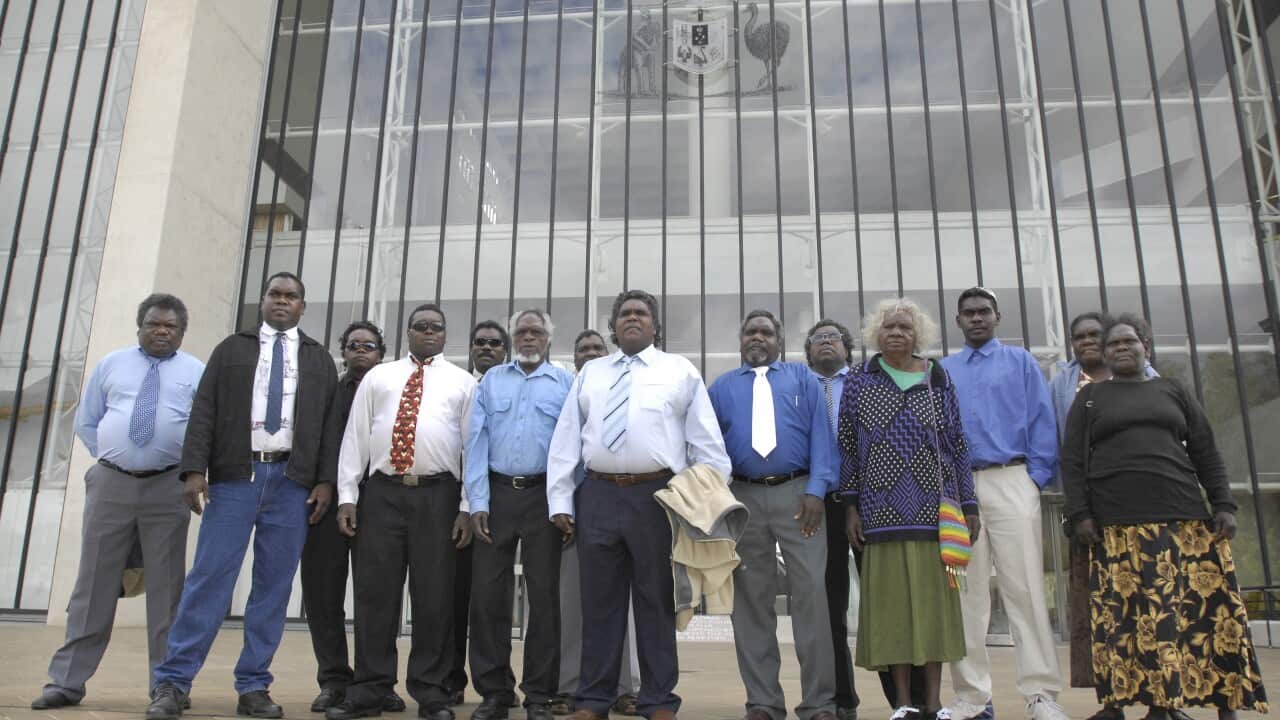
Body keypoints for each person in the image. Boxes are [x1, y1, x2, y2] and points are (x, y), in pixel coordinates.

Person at [147, 272, 339, 720]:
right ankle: (173, 682)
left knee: (273, 587)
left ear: (303, 306)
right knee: (209, 579)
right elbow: (204, 410)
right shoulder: (231, 349)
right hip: (236, 478)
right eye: (274, 294)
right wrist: (194, 470)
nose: (282, 301)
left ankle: (254, 685)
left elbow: (331, 426)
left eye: (291, 296)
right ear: (263, 300)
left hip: (292, 484)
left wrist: (325, 480)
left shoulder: (319, 359)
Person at [1061, 314, 1269, 720]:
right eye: (1113, 344)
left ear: (1146, 347)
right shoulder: (1089, 399)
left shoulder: (1173, 390)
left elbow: (1205, 450)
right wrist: (1081, 514)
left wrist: (1224, 504)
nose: (1121, 348)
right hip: (1117, 527)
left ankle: (1221, 703)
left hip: (1184, 520)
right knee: (1130, 620)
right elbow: (1072, 462)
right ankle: (1141, 704)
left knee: (1203, 616)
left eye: (1128, 341)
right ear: (1104, 354)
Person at [547, 289, 730, 720]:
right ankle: (593, 700)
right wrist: (560, 501)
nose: (632, 318)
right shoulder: (591, 373)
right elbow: (566, 439)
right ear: (614, 327)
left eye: (641, 313)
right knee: (599, 605)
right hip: (597, 495)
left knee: (655, 602)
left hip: (657, 498)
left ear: (654, 325)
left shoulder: (679, 371)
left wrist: (707, 503)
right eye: (624, 313)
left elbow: (706, 443)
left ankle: (658, 700)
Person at [31, 294, 205, 711]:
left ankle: (166, 686)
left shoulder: (196, 371)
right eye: (153, 324)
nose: (161, 331)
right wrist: (116, 458)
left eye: (170, 326)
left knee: (166, 590)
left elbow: (204, 430)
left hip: (168, 486)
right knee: (93, 584)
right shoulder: (111, 364)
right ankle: (67, 682)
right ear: (139, 326)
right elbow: (87, 421)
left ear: (182, 332)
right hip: (111, 485)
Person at [326, 304, 475, 720]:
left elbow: (473, 450)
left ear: (445, 335)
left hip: (439, 497)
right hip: (382, 495)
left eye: (436, 327)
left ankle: (432, 693)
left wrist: (467, 506)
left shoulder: (463, 383)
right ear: (408, 332)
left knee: (434, 598)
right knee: (375, 596)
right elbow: (355, 438)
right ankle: (369, 691)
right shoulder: (379, 376)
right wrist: (347, 497)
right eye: (420, 326)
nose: (428, 332)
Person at [836, 299, 980, 720]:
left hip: (934, 513)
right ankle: (903, 703)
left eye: (905, 327)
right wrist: (851, 507)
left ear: (919, 334)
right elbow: (848, 447)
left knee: (934, 610)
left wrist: (968, 503)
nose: (897, 333)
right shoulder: (860, 378)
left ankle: (934, 704)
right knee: (892, 611)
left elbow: (957, 444)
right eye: (889, 327)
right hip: (879, 514)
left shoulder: (938, 376)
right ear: (875, 334)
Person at [939, 287, 1066, 720]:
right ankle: (972, 696)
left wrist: (1035, 478)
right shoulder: (943, 370)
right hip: (959, 490)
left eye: (984, 312)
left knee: (1025, 588)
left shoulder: (1021, 362)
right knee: (965, 594)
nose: (976, 318)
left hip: (1013, 478)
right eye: (968, 313)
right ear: (958, 321)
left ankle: (1041, 694)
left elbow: (1042, 419)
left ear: (998, 317)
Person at [708, 310, 839, 720]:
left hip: (800, 498)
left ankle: (819, 703)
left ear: (779, 341)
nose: (757, 337)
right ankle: (763, 702)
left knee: (812, 596)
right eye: (750, 332)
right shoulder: (721, 388)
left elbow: (823, 439)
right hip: (742, 497)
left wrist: (817, 490)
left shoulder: (803, 380)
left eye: (766, 332)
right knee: (751, 601)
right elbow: (708, 444)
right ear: (741, 340)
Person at [806, 318, 926, 720]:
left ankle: (908, 700)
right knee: (829, 606)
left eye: (833, 337)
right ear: (808, 351)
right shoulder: (801, 387)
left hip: (869, 505)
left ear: (848, 348)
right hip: (819, 506)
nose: (826, 342)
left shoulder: (866, 382)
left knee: (887, 600)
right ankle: (842, 699)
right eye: (818, 339)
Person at [465, 309, 573, 720]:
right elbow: (476, 443)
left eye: (536, 332)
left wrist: (565, 504)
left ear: (548, 339)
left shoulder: (565, 383)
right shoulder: (492, 381)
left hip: (544, 499)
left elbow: (574, 446)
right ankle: (495, 693)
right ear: (513, 338)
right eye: (522, 332)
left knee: (544, 600)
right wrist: (477, 503)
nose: (529, 338)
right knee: (488, 598)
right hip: (497, 496)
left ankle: (539, 695)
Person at [1048, 311, 1156, 720]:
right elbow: (1063, 448)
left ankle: (1160, 701)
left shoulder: (1151, 381)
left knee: (1150, 604)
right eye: (1079, 337)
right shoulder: (1064, 385)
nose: (1087, 341)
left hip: (1144, 505)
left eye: (1096, 334)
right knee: (1101, 608)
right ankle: (1112, 702)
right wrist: (1074, 505)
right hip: (1090, 510)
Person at [302, 321, 405, 713]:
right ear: (343, 352)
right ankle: (333, 680)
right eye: (353, 345)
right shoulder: (326, 391)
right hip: (325, 501)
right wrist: (325, 482)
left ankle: (376, 682)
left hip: (379, 503)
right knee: (323, 595)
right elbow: (315, 441)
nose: (361, 350)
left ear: (382, 353)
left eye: (369, 345)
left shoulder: (394, 391)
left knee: (377, 597)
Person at [554, 329, 643, 717]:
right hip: (572, 509)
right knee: (574, 601)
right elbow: (560, 451)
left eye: (597, 348)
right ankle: (570, 686)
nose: (590, 353)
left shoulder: (622, 386)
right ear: (574, 358)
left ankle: (624, 687)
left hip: (618, 502)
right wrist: (561, 505)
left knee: (622, 601)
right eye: (583, 349)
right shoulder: (566, 391)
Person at [446, 319, 511, 706]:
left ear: (505, 351)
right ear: (470, 348)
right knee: (454, 597)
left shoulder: (512, 388)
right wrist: (465, 506)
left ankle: (500, 681)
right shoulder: (457, 386)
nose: (486, 347)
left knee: (494, 601)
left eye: (495, 343)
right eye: (480, 342)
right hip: (454, 508)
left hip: (498, 507)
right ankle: (452, 679)